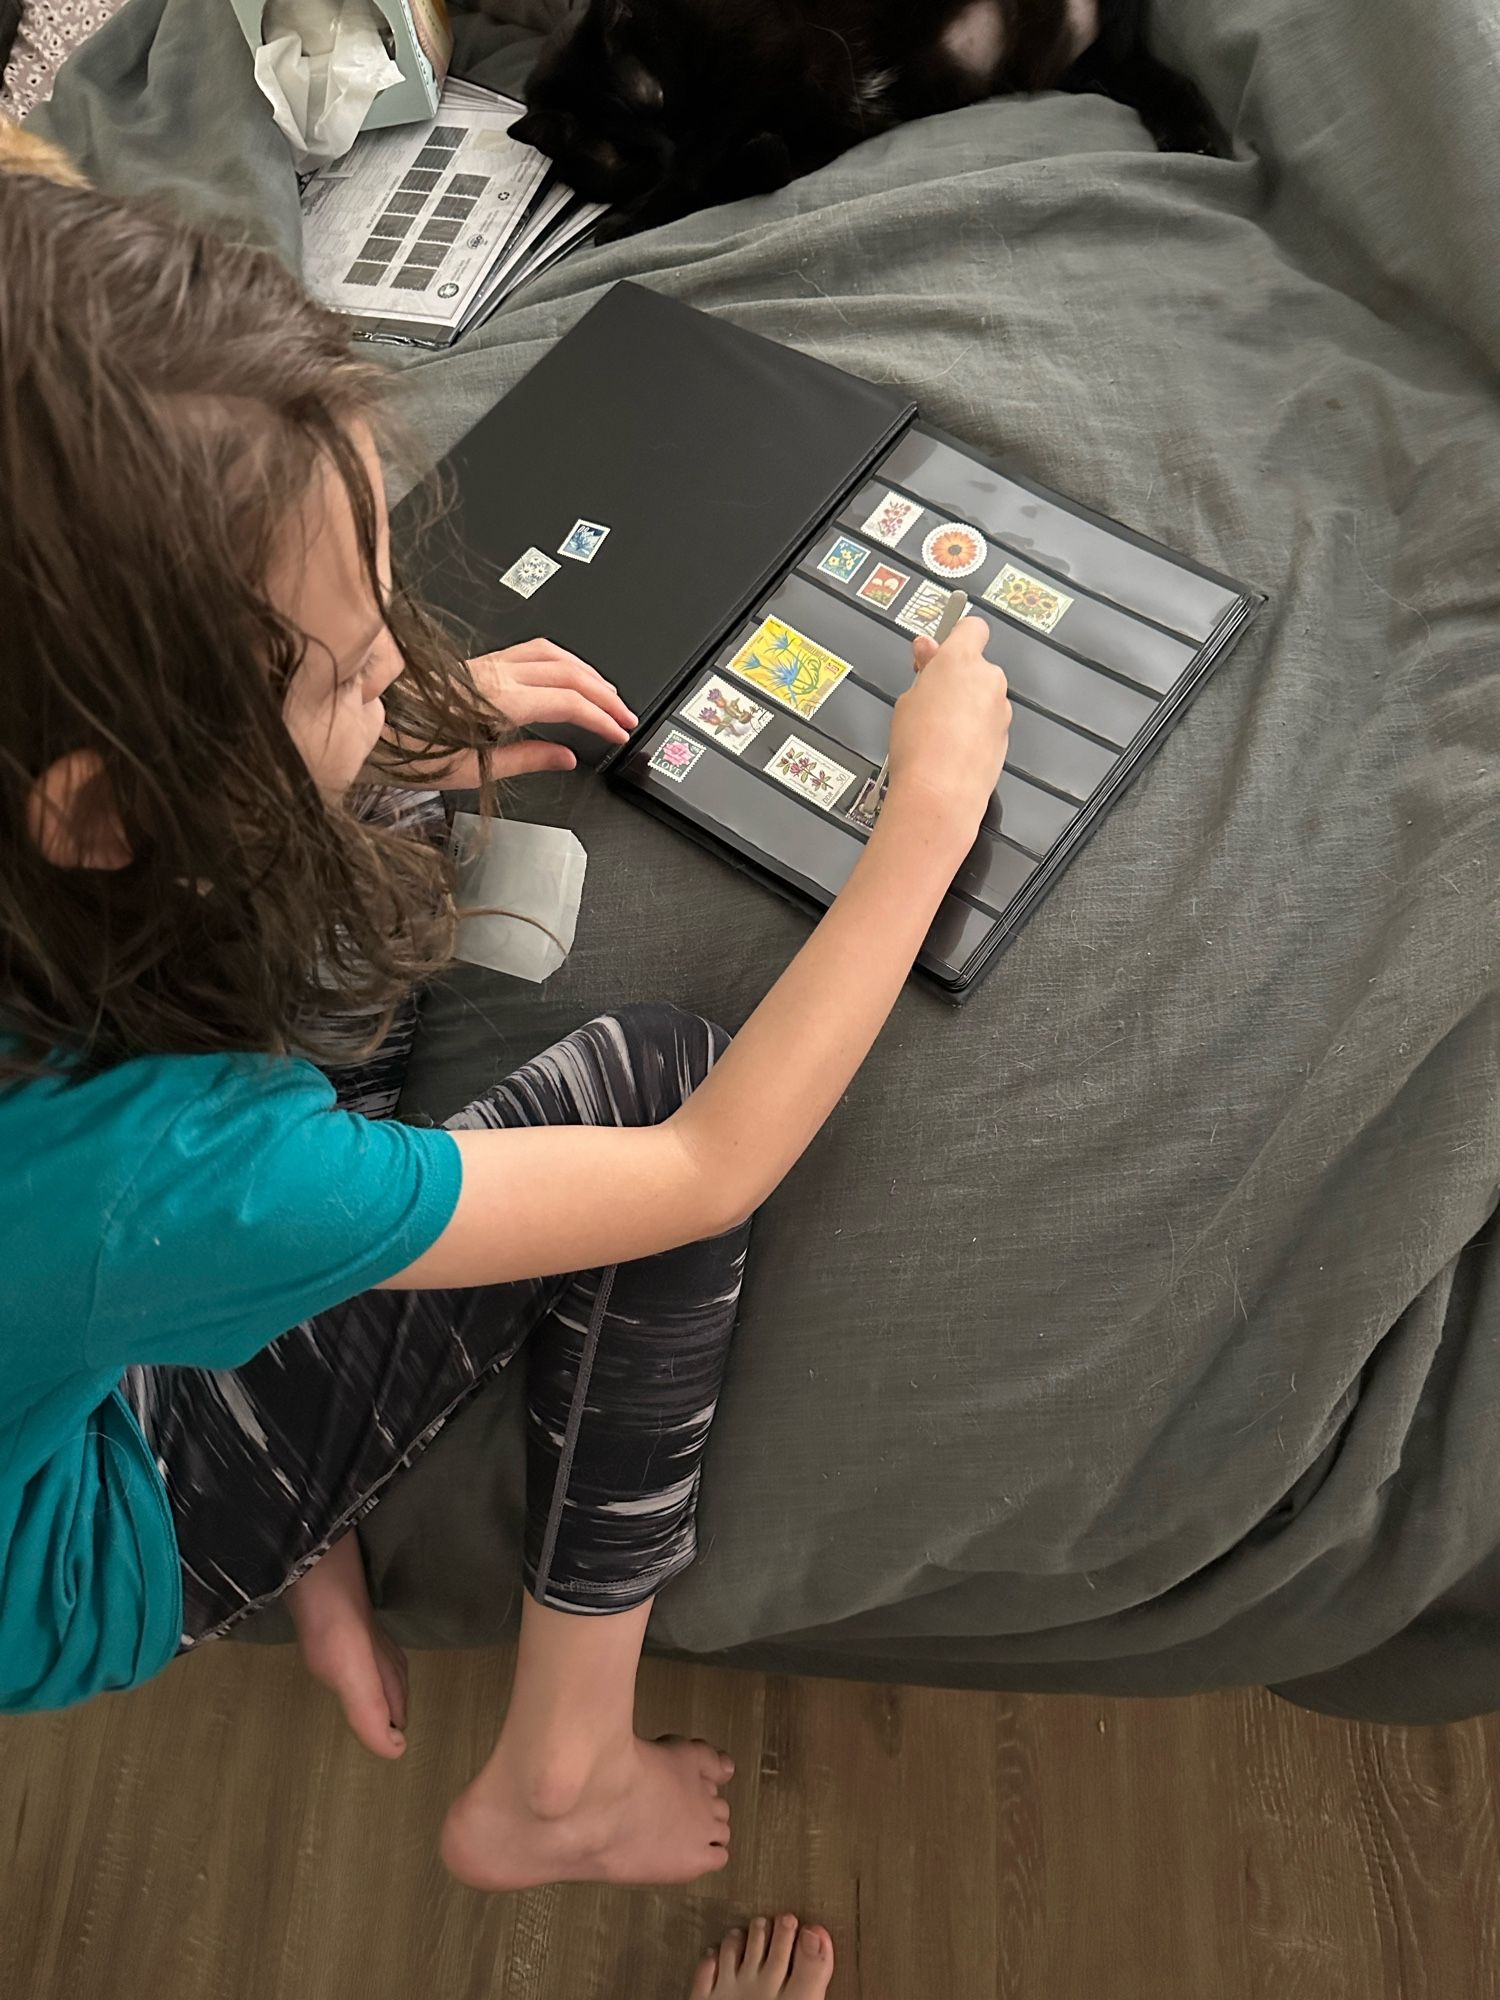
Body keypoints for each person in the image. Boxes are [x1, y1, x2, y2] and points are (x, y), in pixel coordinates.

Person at [0, 171, 1010, 1900]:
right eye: (347, 671)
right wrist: (922, 825)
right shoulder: (164, 1174)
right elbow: (707, 1165)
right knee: (663, 1078)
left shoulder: (64, 872)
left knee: (360, 857)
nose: (405, 664)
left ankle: (285, 1479)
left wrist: (379, 743)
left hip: (81, 1288)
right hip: (98, 1528)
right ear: (105, 817)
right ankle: (558, 1775)